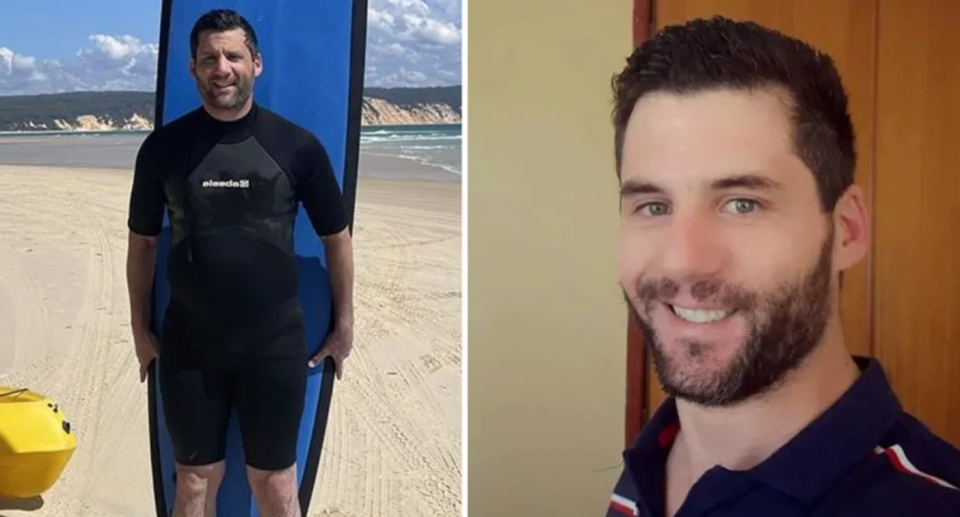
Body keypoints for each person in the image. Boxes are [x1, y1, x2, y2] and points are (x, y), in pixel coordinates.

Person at [605, 15, 960, 517]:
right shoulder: (650, 462)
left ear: (846, 230)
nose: (683, 261)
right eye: (654, 206)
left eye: (742, 203)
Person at [125, 9, 354, 517]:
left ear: (257, 63)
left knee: (274, 484)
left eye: (232, 56)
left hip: (273, 346)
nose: (221, 67)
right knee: (193, 484)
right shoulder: (163, 150)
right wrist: (140, 329)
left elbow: (337, 239)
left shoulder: (298, 147)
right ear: (192, 69)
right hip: (189, 346)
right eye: (209, 58)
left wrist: (345, 323)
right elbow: (142, 244)